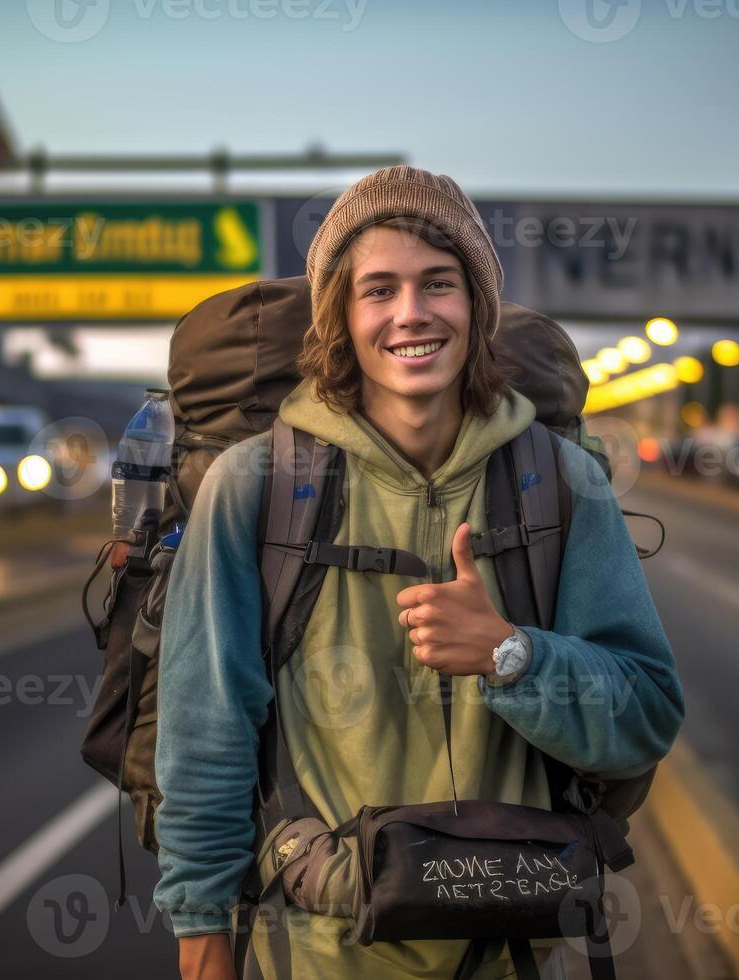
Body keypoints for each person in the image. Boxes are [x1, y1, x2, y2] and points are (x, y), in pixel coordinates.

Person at [154, 165, 684, 979]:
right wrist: (200, 934)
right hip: (314, 956)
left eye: (439, 283)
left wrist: (513, 655)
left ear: (476, 306)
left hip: (517, 955)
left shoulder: (563, 482)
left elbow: (646, 715)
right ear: (340, 313)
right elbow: (207, 731)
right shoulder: (254, 487)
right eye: (379, 289)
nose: (411, 313)